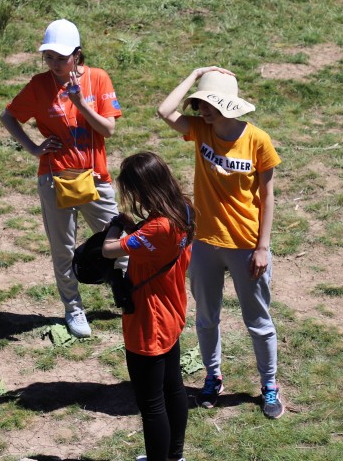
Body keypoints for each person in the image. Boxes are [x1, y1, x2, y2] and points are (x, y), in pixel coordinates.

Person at [157, 67, 284, 419]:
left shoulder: (258, 140)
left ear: (228, 104)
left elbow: (268, 196)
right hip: (205, 243)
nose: (202, 111)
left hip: (246, 244)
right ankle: (212, 377)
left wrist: (262, 247)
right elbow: (165, 111)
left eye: (209, 104)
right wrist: (195, 74)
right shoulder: (201, 130)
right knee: (206, 317)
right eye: (199, 104)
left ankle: (269, 385)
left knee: (258, 320)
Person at [0, 19, 124, 338]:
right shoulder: (39, 85)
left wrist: (80, 103)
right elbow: (8, 116)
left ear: (77, 54)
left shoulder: (97, 79)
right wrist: (33, 148)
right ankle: (73, 308)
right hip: (56, 178)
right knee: (63, 249)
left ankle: (126, 290)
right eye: (49, 57)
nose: (54, 64)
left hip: (95, 178)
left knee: (119, 241)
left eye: (62, 57)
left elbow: (108, 129)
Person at [102, 151, 195, 461]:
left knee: (152, 403)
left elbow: (109, 250)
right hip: (171, 312)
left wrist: (117, 225)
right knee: (173, 388)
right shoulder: (183, 210)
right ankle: (175, 456)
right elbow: (154, 245)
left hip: (149, 321)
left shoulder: (157, 228)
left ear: (143, 188)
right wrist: (134, 227)